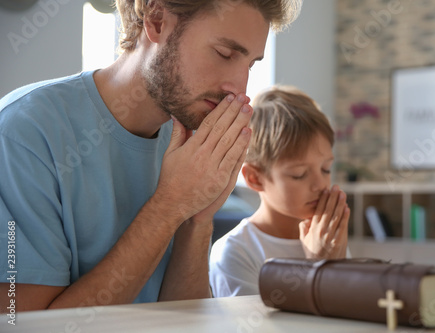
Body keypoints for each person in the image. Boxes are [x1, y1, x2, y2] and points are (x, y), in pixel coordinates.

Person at [0, 0, 301, 312]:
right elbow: (24, 325)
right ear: (157, 20)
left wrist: (198, 220)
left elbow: (184, 320)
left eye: (250, 65)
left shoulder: (193, 143)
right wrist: (171, 204)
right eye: (224, 54)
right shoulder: (24, 133)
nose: (239, 87)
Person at [209, 86, 350, 297]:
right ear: (255, 179)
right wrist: (318, 267)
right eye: (299, 174)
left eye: (326, 169)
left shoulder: (327, 238)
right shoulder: (236, 252)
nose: (320, 185)